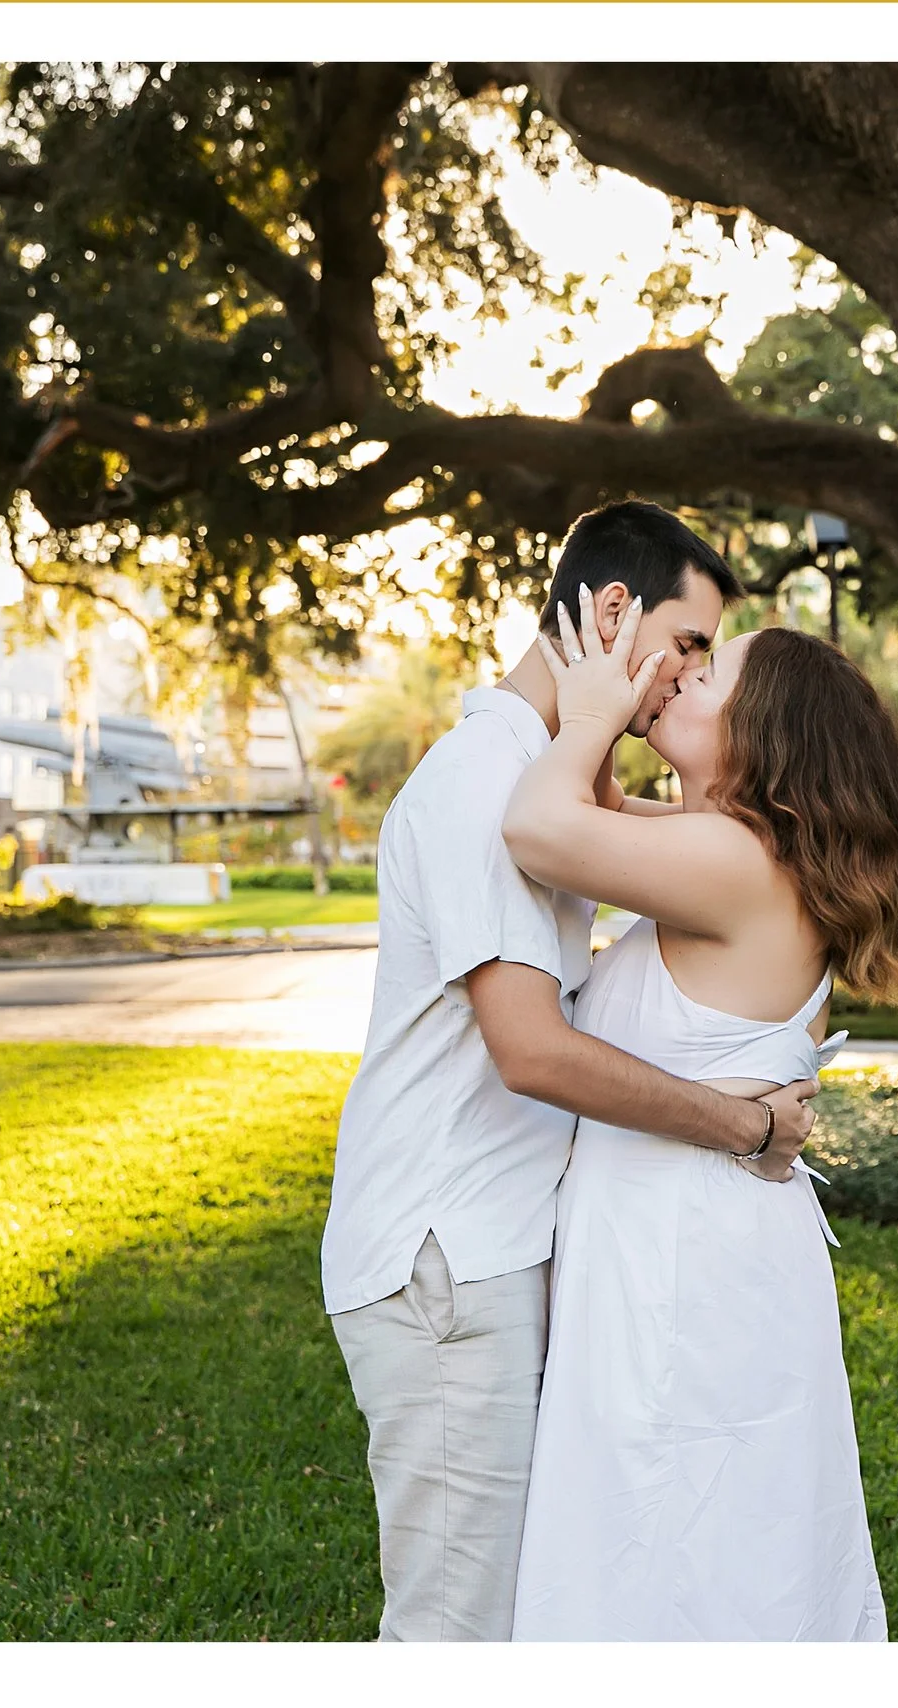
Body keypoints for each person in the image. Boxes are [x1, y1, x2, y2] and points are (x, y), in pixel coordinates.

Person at [318, 501, 821, 1643]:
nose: (689, 681)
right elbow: (531, 1048)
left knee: (522, 1621)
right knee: (460, 1634)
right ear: (609, 613)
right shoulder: (488, 783)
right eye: (688, 646)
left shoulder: (550, 776)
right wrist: (740, 1125)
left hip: (493, 1250)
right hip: (447, 1256)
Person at [500, 588, 898, 1641]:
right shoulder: (738, 851)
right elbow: (599, 814)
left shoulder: (735, 865)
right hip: (702, 1242)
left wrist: (593, 709)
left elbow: (537, 823)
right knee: (718, 1531)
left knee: (674, 1530)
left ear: (766, 734)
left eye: (709, 673)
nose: (680, 674)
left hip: (684, 1261)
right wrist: (608, 703)